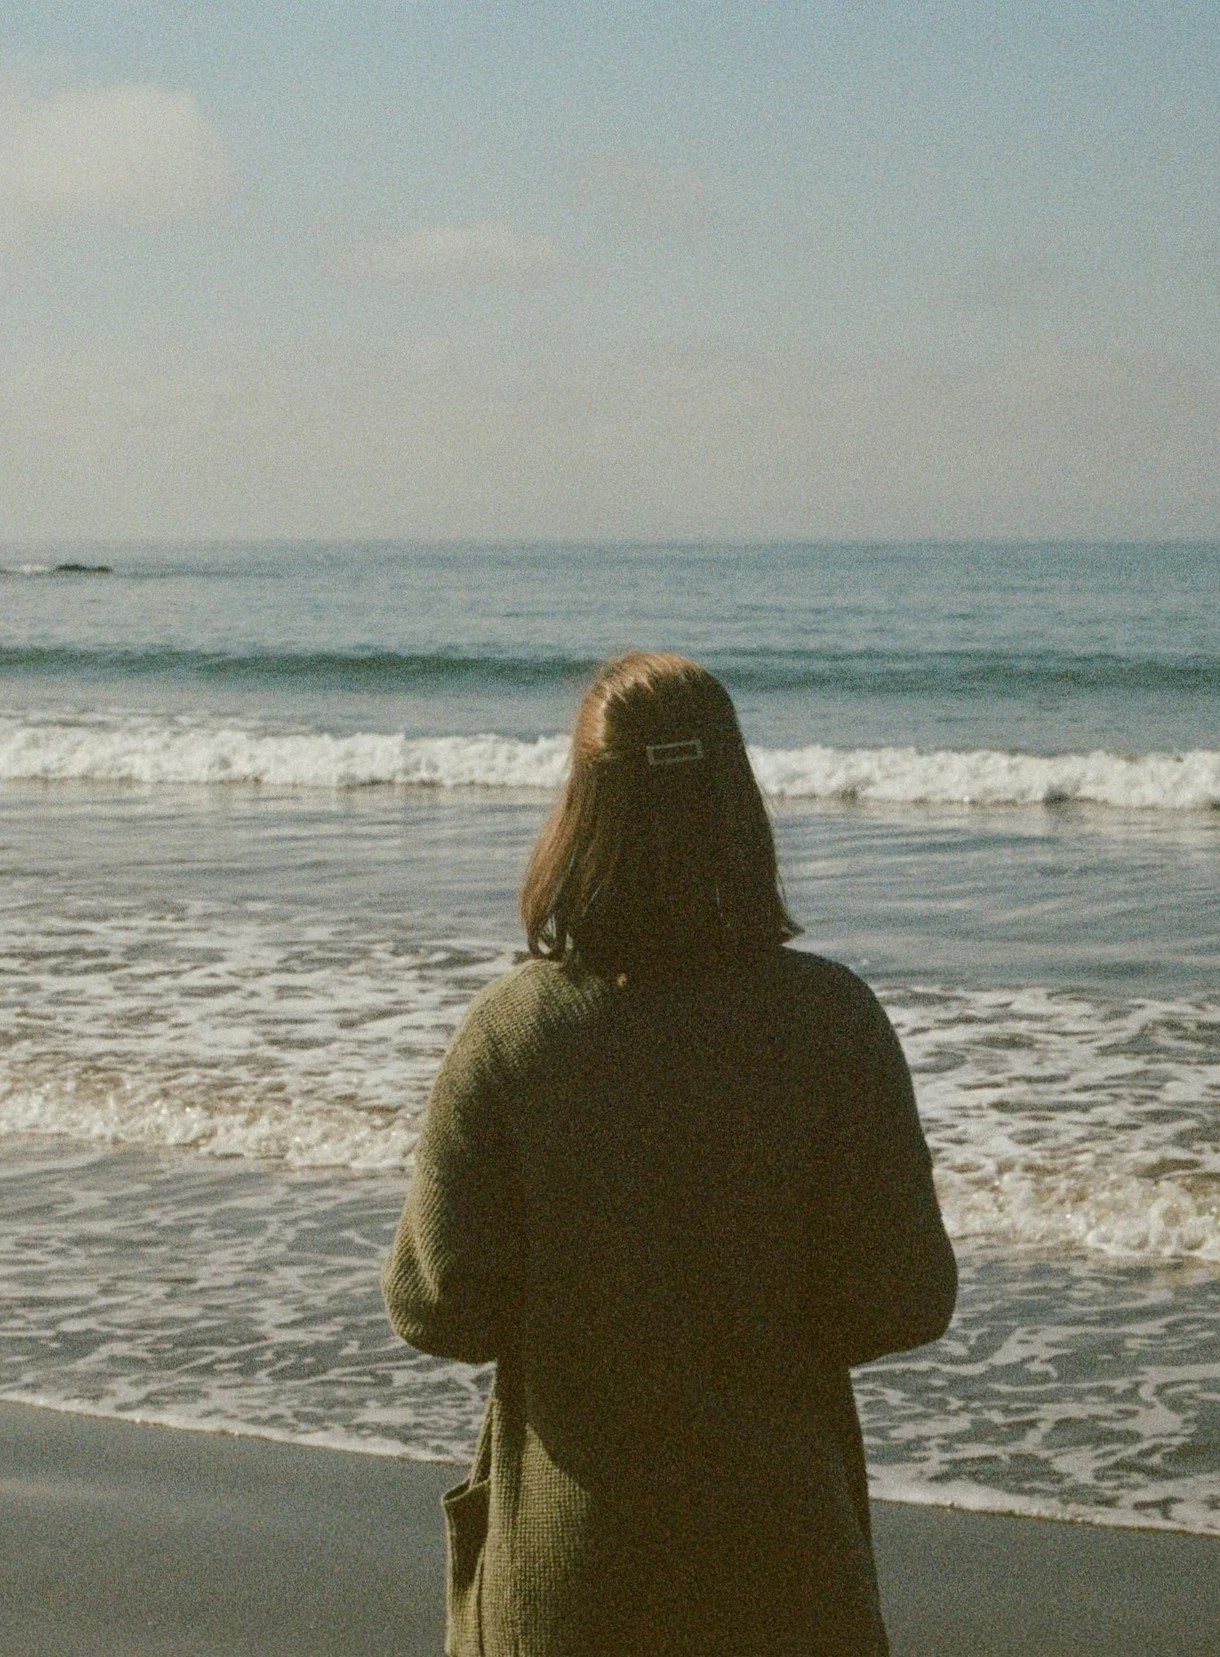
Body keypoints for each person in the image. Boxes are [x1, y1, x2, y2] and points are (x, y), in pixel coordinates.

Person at [383, 651, 959, 1656]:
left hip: (574, 1570)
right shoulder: (829, 1018)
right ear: (739, 799)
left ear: (582, 806)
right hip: (784, 1559)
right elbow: (905, 1295)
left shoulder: (515, 1031)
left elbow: (440, 1308)